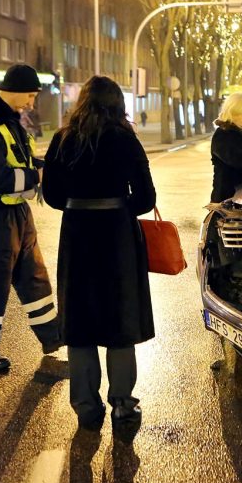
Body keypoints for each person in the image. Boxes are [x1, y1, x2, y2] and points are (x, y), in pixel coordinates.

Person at [42, 76, 156, 430]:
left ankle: (86, 407)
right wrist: (120, 207)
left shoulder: (63, 138)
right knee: (120, 318)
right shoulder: (124, 138)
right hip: (117, 236)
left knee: (80, 322)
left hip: (77, 235)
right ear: (117, 104)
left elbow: (52, 195)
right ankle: (123, 403)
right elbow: (146, 197)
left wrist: (79, 205)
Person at [0, 64, 62, 372]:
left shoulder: (10, 123)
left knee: (34, 276)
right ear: (15, 91)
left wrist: (52, 166)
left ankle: (53, 336)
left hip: (17, 212)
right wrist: (37, 176)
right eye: (30, 96)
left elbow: (27, 160)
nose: (32, 103)